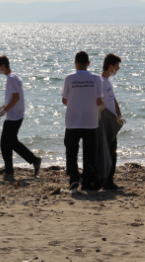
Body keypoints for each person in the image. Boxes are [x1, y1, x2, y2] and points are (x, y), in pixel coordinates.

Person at [61, 51, 104, 193]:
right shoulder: (97, 79)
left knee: (71, 152)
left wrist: (75, 101)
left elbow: (64, 100)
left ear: (75, 63)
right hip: (90, 121)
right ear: (88, 63)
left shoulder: (69, 78)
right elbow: (99, 100)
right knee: (89, 154)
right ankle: (87, 182)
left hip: (72, 121)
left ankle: (73, 179)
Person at [0, 55, 41, 180]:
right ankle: (9, 169)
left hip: (14, 116)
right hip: (14, 115)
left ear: (3, 65)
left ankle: (34, 160)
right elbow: (11, 98)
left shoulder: (11, 78)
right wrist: (0, 108)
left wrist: (4, 111)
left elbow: (16, 98)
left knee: (11, 143)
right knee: (5, 143)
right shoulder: (13, 77)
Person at [100, 53, 126, 191]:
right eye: (117, 66)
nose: (118, 68)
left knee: (113, 153)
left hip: (112, 123)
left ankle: (108, 181)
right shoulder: (100, 81)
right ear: (110, 66)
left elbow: (113, 99)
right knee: (109, 153)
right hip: (105, 124)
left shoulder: (108, 81)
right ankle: (106, 182)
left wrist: (119, 115)